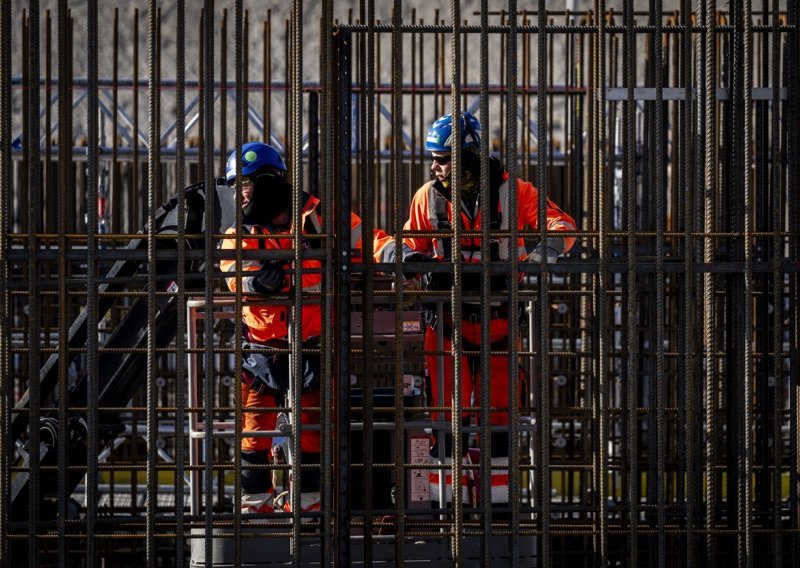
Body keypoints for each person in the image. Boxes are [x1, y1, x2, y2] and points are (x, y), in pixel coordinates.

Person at [377, 112, 576, 506]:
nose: (435, 167)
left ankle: (497, 511)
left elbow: (562, 226)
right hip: (446, 324)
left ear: (469, 156)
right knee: (447, 420)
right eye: (434, 158)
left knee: (500, 419)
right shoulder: (427, 197)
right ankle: (446, 510)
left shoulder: (516, 193)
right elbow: (404, 243)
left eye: (443, 158)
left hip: (499, 322)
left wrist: (538, 256)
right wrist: (408, 260)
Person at [219, 141, 366, 515]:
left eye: (245, 184)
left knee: (312, 431)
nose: (240, 194)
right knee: (254, 431)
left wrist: (392, 257)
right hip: (262, 349)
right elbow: (233, 275)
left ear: (267, 182)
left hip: (313, 345)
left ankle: (309, 506)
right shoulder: (241, 232)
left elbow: (365, 243)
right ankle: (256, 508)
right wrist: (259, 283)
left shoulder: (320, 219)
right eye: (236, 186)